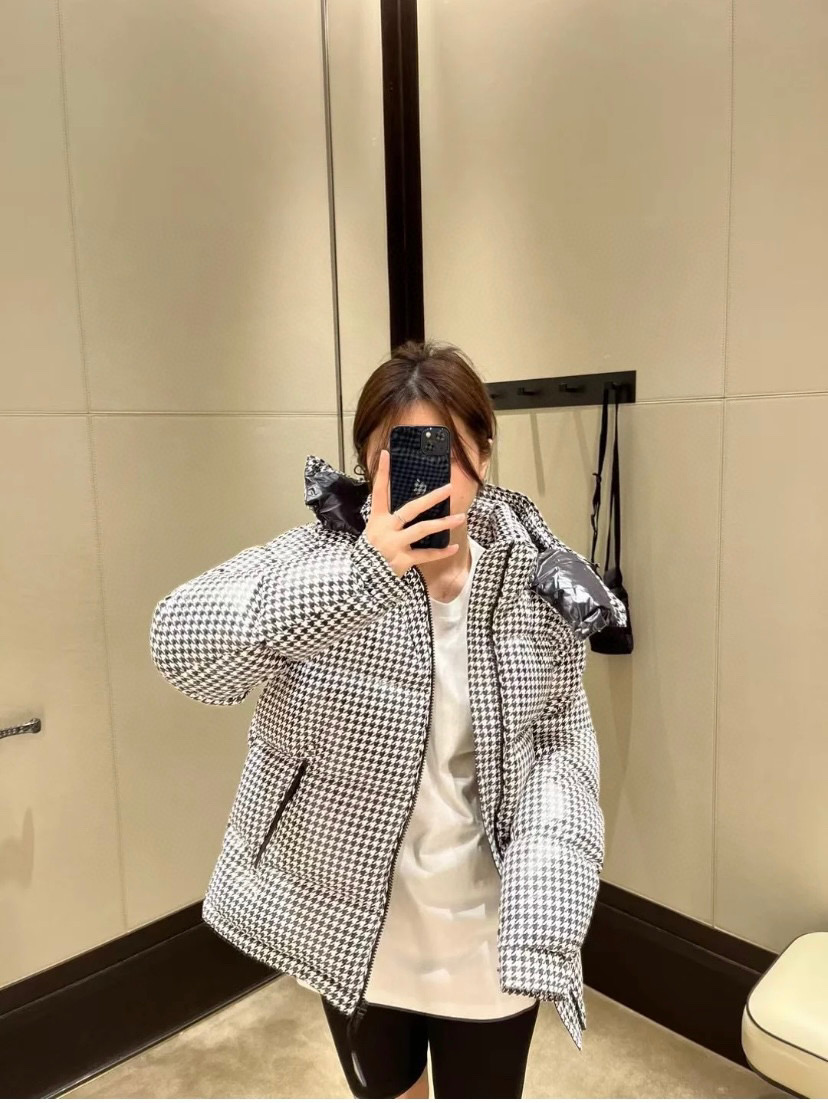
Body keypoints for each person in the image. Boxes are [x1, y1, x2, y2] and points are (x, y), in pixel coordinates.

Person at [149, 340, 627, 1099]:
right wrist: (361, 573)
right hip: (355, 931)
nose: (425, 481)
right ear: (368, 465)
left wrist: (553, 873)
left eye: (447, 454)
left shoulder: (536, 582)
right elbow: (179, 644)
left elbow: (561, 738)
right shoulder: (312, 566)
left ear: (484, 451)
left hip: (491, 933)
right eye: (399, 457)